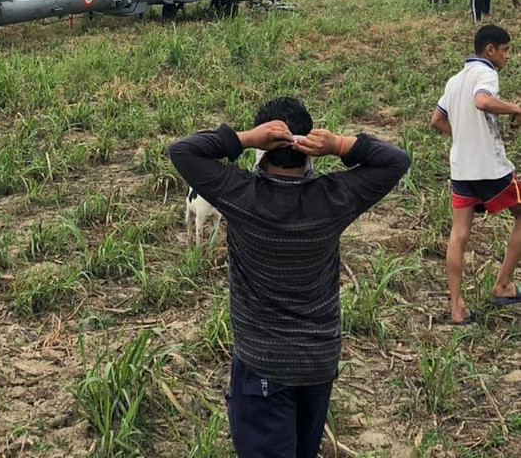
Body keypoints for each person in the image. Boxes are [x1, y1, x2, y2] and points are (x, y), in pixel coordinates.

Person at [168, 98, 410, 458]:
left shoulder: (240, 194)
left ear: (264, 150)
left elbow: (183, 150)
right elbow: (396, 160)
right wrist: (340, 145)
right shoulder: (332, 198)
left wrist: (246, 138)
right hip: (318, 362)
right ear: (308, 147)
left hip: (262, 364)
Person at [430, 25, 521, 324]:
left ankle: (457, 308)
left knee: (459, 235)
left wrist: (465, 135)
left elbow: (437, 120)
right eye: (505, 50)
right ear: (490, 50)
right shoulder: (487, 73)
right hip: (489, 168)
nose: (508, 56)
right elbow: (482, 101)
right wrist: (516, 108)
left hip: (462, 169)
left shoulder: (455, 80)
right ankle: (503, 285)